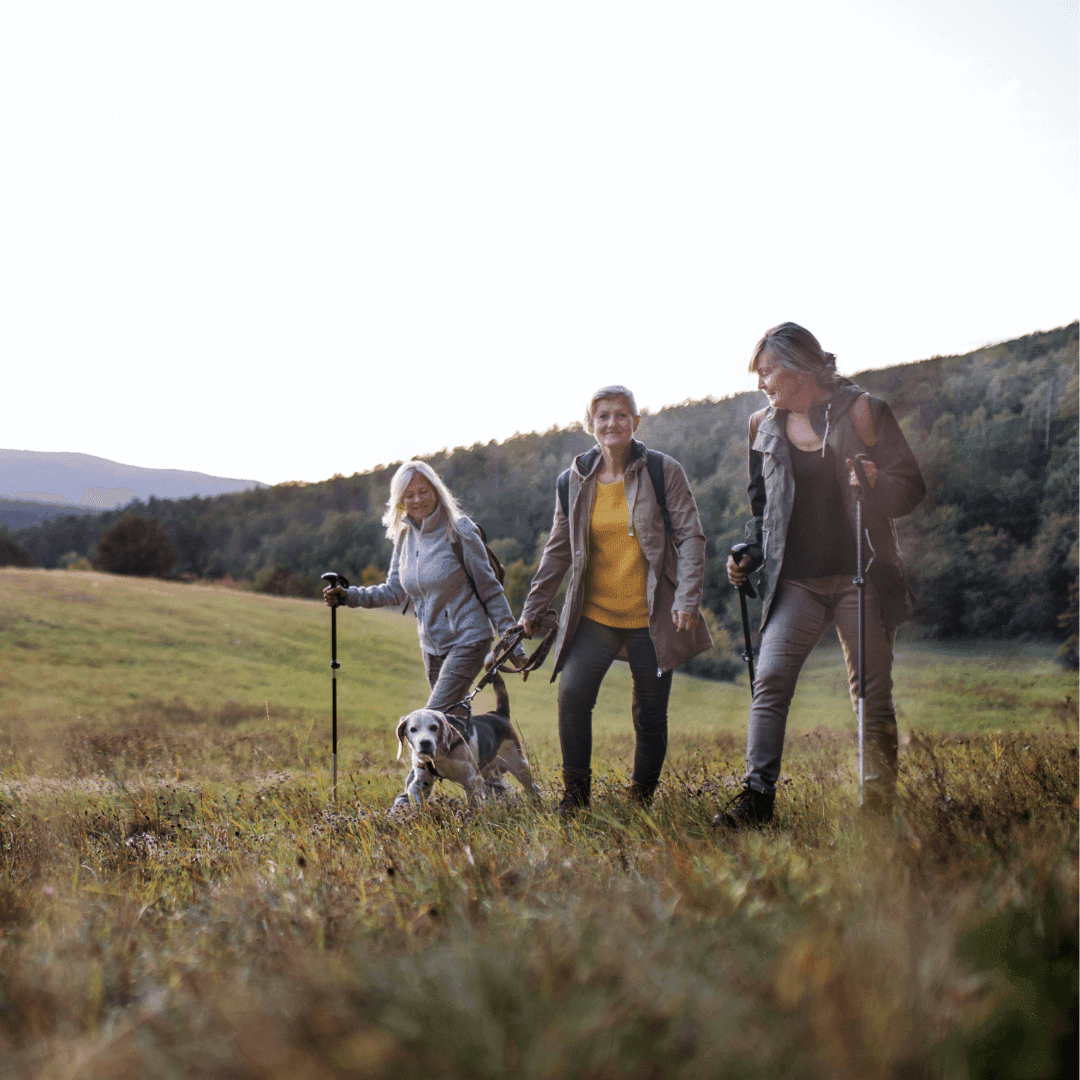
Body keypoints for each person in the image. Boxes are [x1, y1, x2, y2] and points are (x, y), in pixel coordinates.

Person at [718, 323, 926, 828]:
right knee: (769, 679)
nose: (762, 383)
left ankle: (877, 805)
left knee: (871, 692)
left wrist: (876, 483)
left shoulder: (864, 411)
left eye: (767, 372)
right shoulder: (761, 426)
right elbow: (762, 508)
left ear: (797, 369)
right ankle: (757, 800)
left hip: (864, 575)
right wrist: (748, 550)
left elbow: (911, 488)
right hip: (798, 583)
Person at [520, 385, 713, 812]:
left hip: (651, 614)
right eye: (602, 416)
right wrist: (532, 609)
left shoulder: (663, 471)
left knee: (650, 713)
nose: (612, 423)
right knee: (572, 695)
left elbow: (691, 537)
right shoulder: (572, 481)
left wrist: (687, 598)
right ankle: (575, 796)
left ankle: (640, 800)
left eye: (621, 415)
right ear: (590, 425)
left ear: (636, 423)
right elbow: (557, 549)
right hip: (595, 614)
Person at [323, 460, 525, 806]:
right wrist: (349, 595)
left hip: (469, 638)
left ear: (436, 491)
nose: (417, 500)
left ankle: (407, 801)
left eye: (423, 491)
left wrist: (511, 638)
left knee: (428, 724)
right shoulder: (404, 535)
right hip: (432, 646)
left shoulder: (459, 530)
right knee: (456, 725)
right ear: (398, 501)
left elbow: (490, 589)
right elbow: (393, 591)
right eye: (408, 495)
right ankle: (494, 792)